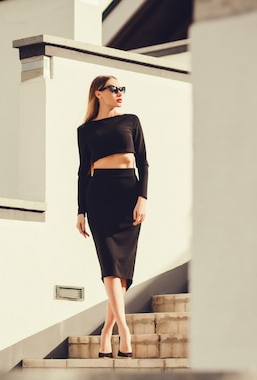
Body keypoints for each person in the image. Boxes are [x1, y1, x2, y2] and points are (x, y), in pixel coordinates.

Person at [76, 75, 149, 358]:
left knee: (121, 274)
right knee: (109, 266)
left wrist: (143, 197)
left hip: (128, 194)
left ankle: (106, 332)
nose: (119, 93)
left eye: (121, 89)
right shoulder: (85, 130)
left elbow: (142, 161)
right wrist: (80, 210)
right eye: (113, 89)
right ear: (98, 93)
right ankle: (124, 330)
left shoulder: (131, 120)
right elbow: (83, 171)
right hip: (99, 197)